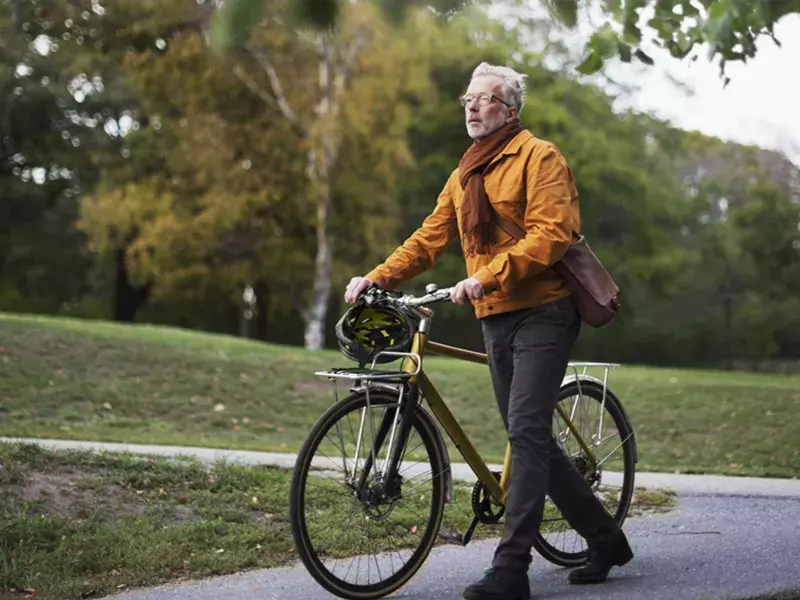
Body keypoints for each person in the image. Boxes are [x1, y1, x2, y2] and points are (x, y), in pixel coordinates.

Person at [343, 62, 633, 600]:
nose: (473, 106)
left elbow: (553, 234)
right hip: (494, 316)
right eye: (468, 99)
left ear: (510, 111)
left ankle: (511, 570)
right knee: (533, 441)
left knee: (523, 432)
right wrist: (375, 277)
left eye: (486, 99)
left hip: (545, 310)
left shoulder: (540, 157)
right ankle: (605, 539)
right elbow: (428, 240)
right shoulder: (463, 175)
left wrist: (486, 274)